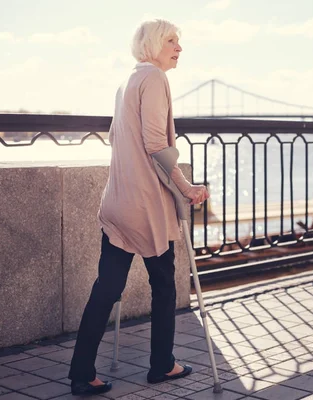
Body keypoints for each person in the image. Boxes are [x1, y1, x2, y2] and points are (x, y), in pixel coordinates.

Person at [68, 19, 209, 396]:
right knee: (164, 286)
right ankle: (163, 366)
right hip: (146, 209)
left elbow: (118, 137)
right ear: (152, 44)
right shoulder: (155, 79)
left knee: (107, 288)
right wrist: (186, 187)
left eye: (179, 41)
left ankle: (82, 374)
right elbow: (154, 143)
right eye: (172, 40)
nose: (179, 47)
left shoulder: (127, 81)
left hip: (117, 202)